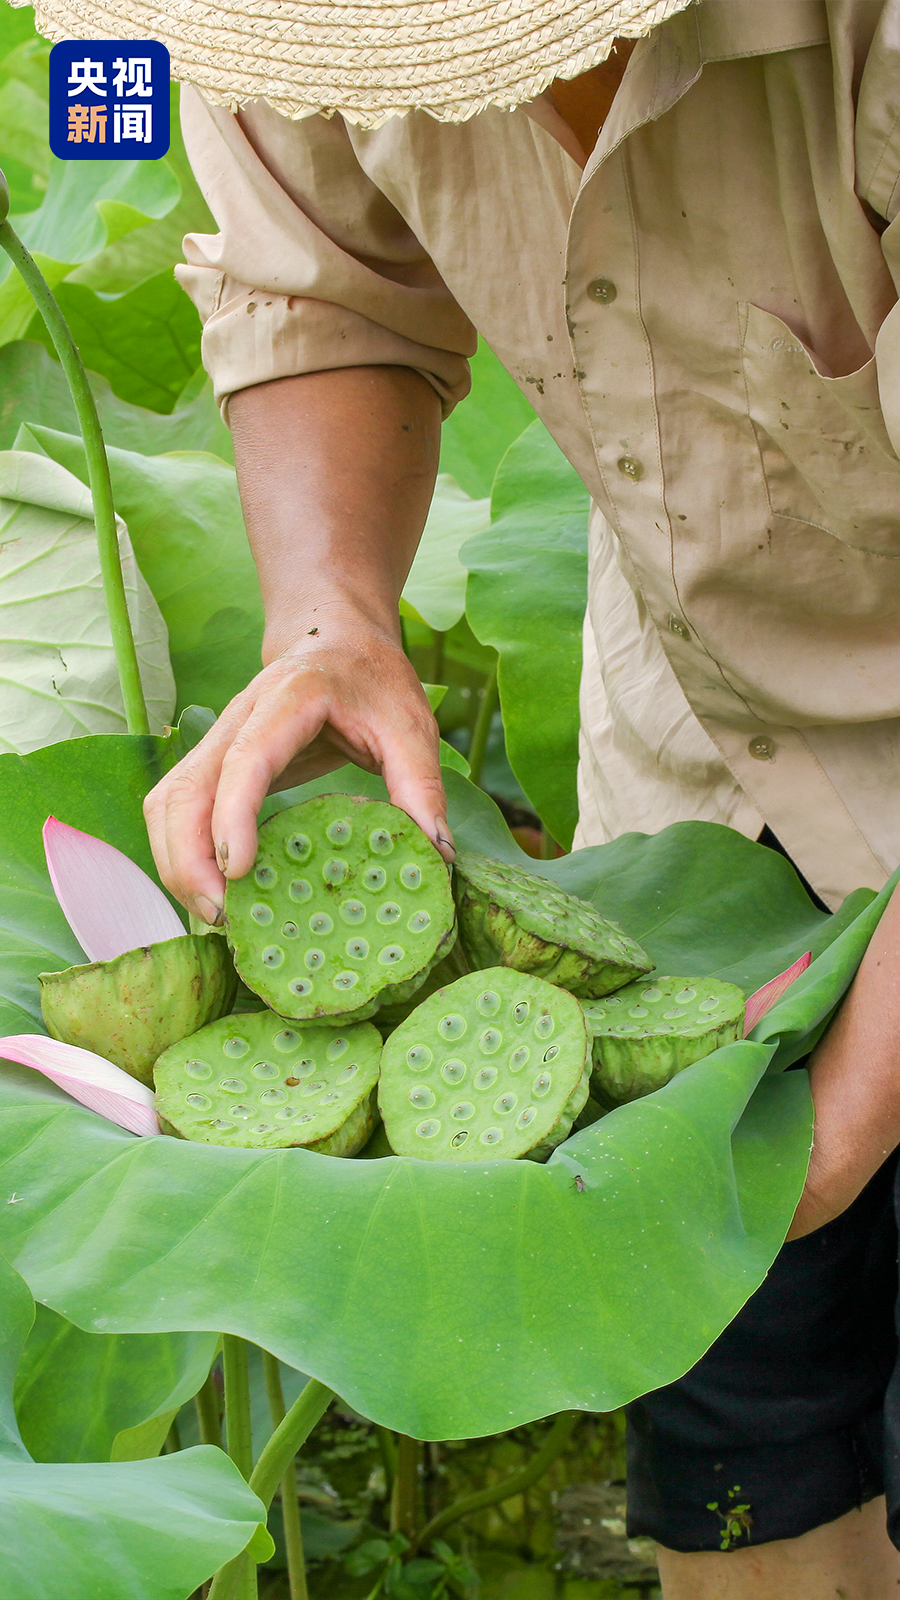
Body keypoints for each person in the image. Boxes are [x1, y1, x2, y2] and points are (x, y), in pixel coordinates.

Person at [38, 0, 900, 1588]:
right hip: (704, 785)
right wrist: (332, 614)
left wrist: (855, 1112)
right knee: (751, 1459)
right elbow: (326, 293)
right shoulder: (287, 18)